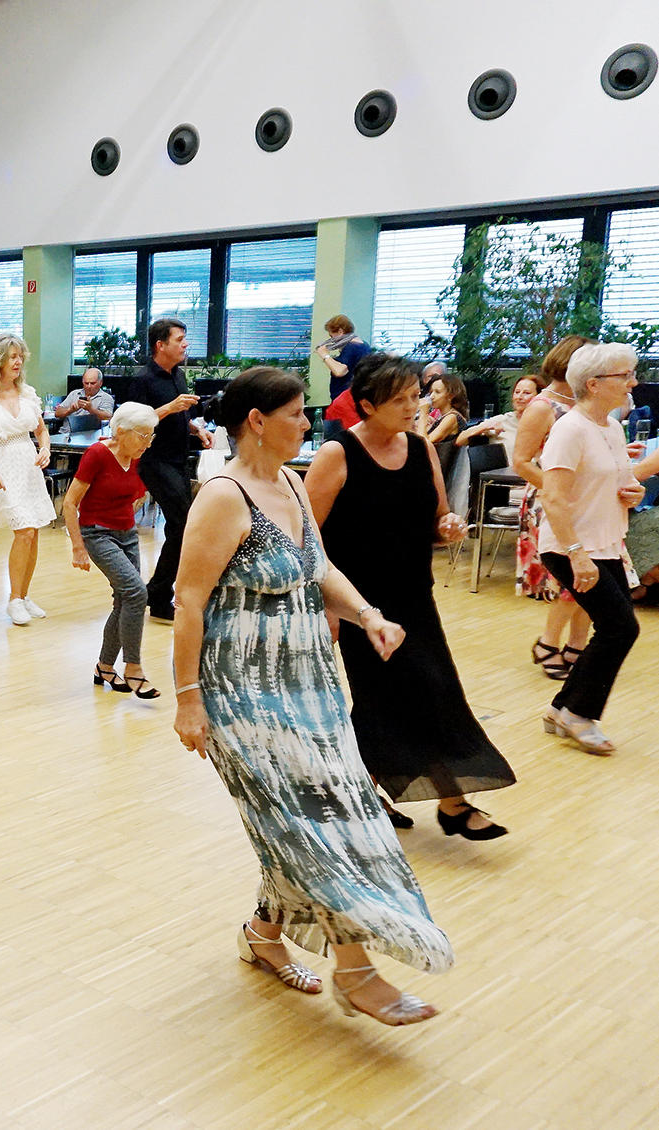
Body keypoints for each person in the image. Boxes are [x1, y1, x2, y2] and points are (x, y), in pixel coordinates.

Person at [173, 366, 451, 1027]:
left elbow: (318, 567)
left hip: (308, 679)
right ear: (256, 421)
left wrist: (368, 615)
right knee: (310, 820)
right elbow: (187, 600)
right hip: (243, 690)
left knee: (312, 814)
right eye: (297, 413)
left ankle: (262, 935)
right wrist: (187, 698)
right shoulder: (223, 496)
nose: (308, 423)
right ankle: (355, 971)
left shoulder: (291, 484)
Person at [305, 356, 515, 840]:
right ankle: (451, 802)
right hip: (360, 602)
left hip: (415, 594)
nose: (411, 406)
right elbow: (307, 537)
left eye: (414, 396)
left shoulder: (420, 448)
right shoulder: (338, 453)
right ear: (367, 405)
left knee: (425, 690)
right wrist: (326, 604)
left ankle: (365, 793)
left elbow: (437, 521)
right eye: (399, 399)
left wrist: (449, 527)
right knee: (394, 694)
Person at [535, 343, 648, 755]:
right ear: (594, 384)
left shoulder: (611, 427)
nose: (633, 382)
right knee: (621, 628)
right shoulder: (570, 429)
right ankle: (579, 714)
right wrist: (577, 554)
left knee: (616, 627)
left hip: (605, 542)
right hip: (570, 546)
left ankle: (561, 708)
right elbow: (553, 497)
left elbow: (617, 481)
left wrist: (632, 493)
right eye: (625, 375)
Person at [60, 402, 159, 694]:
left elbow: (132, 494)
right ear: (122, 432)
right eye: (143, 436)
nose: (147, 443)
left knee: (124, 600)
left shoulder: (136, 455)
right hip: (98, 533)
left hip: (127, 534)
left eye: (150, 436)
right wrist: (78, 548)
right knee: (136, 593)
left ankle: (104, 667)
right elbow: (70, 503)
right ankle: (134, 667)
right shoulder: (97, 454)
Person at [514, 336, 596, 679]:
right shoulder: (543, 406)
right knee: (570, 582)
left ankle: (576, 646)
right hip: (552, 501)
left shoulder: (586, 403)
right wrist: (559, 490)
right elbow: (521, 461)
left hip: (589, 502)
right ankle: (548, 643)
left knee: (594, 577)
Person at [0, 332, 55, 625]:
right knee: (24, 531)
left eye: (20, 357)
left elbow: (41, 430)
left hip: (28, 464)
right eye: (12, 357)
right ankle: (14, 599)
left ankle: (24, 594)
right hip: (1, 465)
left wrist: (45, 448)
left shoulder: (27, 393)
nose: (17, 362)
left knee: (34, 530)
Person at [130, 318, 213, 622]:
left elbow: (181, 416)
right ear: (160, 345)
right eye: (179, 339)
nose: (185, 344)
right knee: (184, 524)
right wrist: (169, 407)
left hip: (179, 459)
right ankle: (158, 592)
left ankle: (160, 592)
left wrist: (196, 430)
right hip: (154, 460)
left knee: (180, 527)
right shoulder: (142, 380)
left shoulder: (178, 375)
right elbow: (132, 422)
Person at [456, 373, 544, 460]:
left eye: (526, 393)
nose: (519, 397)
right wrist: (485, 426)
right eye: (517, 392)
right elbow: (460, 440)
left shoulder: (546, 423)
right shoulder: (502, 420)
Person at [313, 315, 374, 399]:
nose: (331, 339)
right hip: (358, 395)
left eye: (331, 336)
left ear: (340, 332)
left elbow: (340, 371)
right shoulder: (364, 345)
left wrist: (325, 355)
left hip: (346, 397)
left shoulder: (351, 347)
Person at [54, 367, 115, 434]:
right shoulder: (74, 394)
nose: (89, 386)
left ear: (100, 383)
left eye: (92, 383)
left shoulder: (106, 398)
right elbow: (57, 413)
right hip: (67, 433)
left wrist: (91, 409)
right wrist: (70, 410)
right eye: (86, 383)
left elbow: (108, 417)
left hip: (92, 435)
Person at [419, 372, 469, 445]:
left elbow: (423, 443)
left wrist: (423, 414)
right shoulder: (443, 416)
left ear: (451, 396)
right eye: (431, 392)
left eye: (437, 392)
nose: (431, 396)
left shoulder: (452, 418)